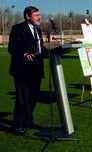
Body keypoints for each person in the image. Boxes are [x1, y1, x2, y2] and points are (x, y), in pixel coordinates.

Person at [8, 6, 48, 135]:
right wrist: (24, 54)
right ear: (27, 16)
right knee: (23, 98)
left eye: (39, 14)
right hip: (22, 70)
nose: (39, 17)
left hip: (36, 69)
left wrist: (56, 51)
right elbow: (12, 48)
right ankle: (17, 125)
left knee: (34, 97)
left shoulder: (38, 30)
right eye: (36, 15)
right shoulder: (18, 28)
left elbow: (39, 49)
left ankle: (28, 120)